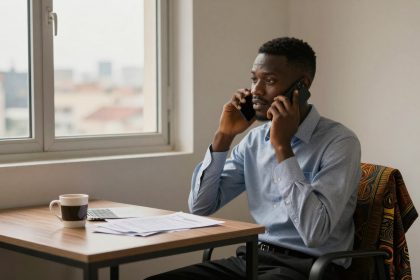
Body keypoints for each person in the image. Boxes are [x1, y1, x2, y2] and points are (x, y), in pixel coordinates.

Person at [146, 37, 361, 280]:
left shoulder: (340, 142)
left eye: (269, 81)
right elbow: (200, 207)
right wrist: (224, 136)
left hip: (310, 268)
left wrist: (282, 147)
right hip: (252, 259)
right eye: (253, 79)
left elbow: (315, 233)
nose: (256, 90)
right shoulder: (255, 141)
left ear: (301, 85)